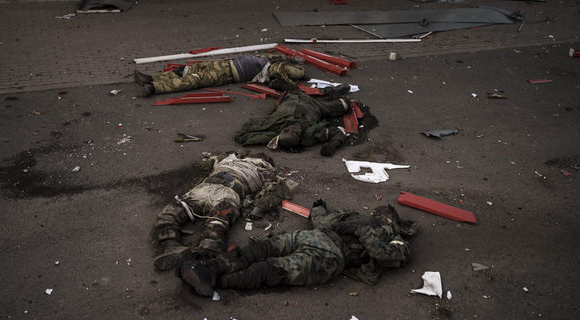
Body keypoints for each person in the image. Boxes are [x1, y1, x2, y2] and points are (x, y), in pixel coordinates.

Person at [179, 201, 418, 298]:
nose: (380, 212)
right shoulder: (359, 216)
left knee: (271, 270)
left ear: (394, 220)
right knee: (261, 248)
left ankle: (214, 281)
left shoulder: (395, 238)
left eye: (386, 213)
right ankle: (210, 268)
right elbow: (324, 221)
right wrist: (318, 210)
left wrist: (361, 232)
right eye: (380, 210)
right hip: (316, 236)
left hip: (330, 257)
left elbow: (384, 256)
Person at [151, 152, 298, 271]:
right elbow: (274, 192)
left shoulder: (232, 159)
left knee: (171, 214)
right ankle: (204, 254)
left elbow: (206, 163)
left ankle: (170, 244)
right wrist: (258, 207)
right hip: (227, 193)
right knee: (218, 223)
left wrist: (221, 160)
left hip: (205, 189)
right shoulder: (263, 171)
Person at [234, 81, 353, 157]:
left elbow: (245, 130)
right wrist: (334, 145)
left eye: (288, 131)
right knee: (345, 104)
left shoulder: (273, 125)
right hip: (317, 107)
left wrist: (270, 136)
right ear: (300, 136)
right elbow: (336, 132)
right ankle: (333, 92)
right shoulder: (310, 135)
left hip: (292, 97)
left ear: (282, 131)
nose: (295, 128)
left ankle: (283, 85)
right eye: (297, 133)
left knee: (289, 88)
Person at [133, 54, 308, 96]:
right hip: (225, 64)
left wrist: (295, 66)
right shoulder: (270, 60)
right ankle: (150, 78)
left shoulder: (274, 71)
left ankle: (154, 88)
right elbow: (277, 58)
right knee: (186, 70)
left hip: (229, 73)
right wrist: (288, 57)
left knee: (194, 80)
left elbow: (294, 72)